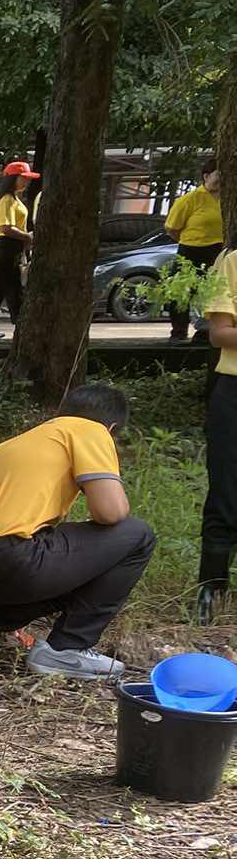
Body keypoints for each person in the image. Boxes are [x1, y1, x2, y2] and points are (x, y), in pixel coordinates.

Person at [0, 383, 152, 676]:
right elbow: (111, 512)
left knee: (78, 564)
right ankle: (67, 649)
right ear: (110, 428)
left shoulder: (30, 439)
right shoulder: (90, 430)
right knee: (137, 536)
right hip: (5, 559)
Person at [197, 246, 237, 623]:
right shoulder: (233, 261)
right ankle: (211, 589)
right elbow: (220, 333)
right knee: (226, 493)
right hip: (234, 391)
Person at [163, 155, 223, 345]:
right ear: (206, 176)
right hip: (191, 250)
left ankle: (205, 332)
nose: (221, 179)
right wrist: (189, 241)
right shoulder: (190, 199)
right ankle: (178, 332)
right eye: (217, 174)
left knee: (212, 293)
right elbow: (171, 228)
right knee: (181, 292)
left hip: (219, 251)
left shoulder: (228, 199)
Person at [0, 160, 38, 338]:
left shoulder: (14, 199)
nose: (26, 182)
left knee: (14, 288)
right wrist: (28, 236)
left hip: (12, 247)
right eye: (23, 178)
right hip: (4, 245)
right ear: (12, 178)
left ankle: (20, 324)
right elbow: (5, 228)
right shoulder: (7, 200)